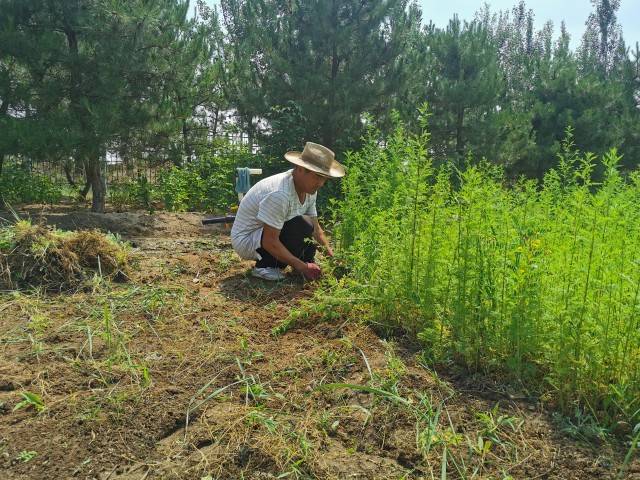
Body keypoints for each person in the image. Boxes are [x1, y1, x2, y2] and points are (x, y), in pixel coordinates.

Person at [231, 142, 345, 281]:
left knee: (307, 226)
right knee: (300, 224)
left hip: (270, 233)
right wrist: (302, 267)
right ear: (300, 169)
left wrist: (333, 259)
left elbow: (316, 230)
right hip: (247, 240)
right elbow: (269, 241)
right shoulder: (280, 193)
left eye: (324, 178)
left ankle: (305, 264)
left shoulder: (310, 190)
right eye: (317, 177)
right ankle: (265, 266)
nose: (320, 184)